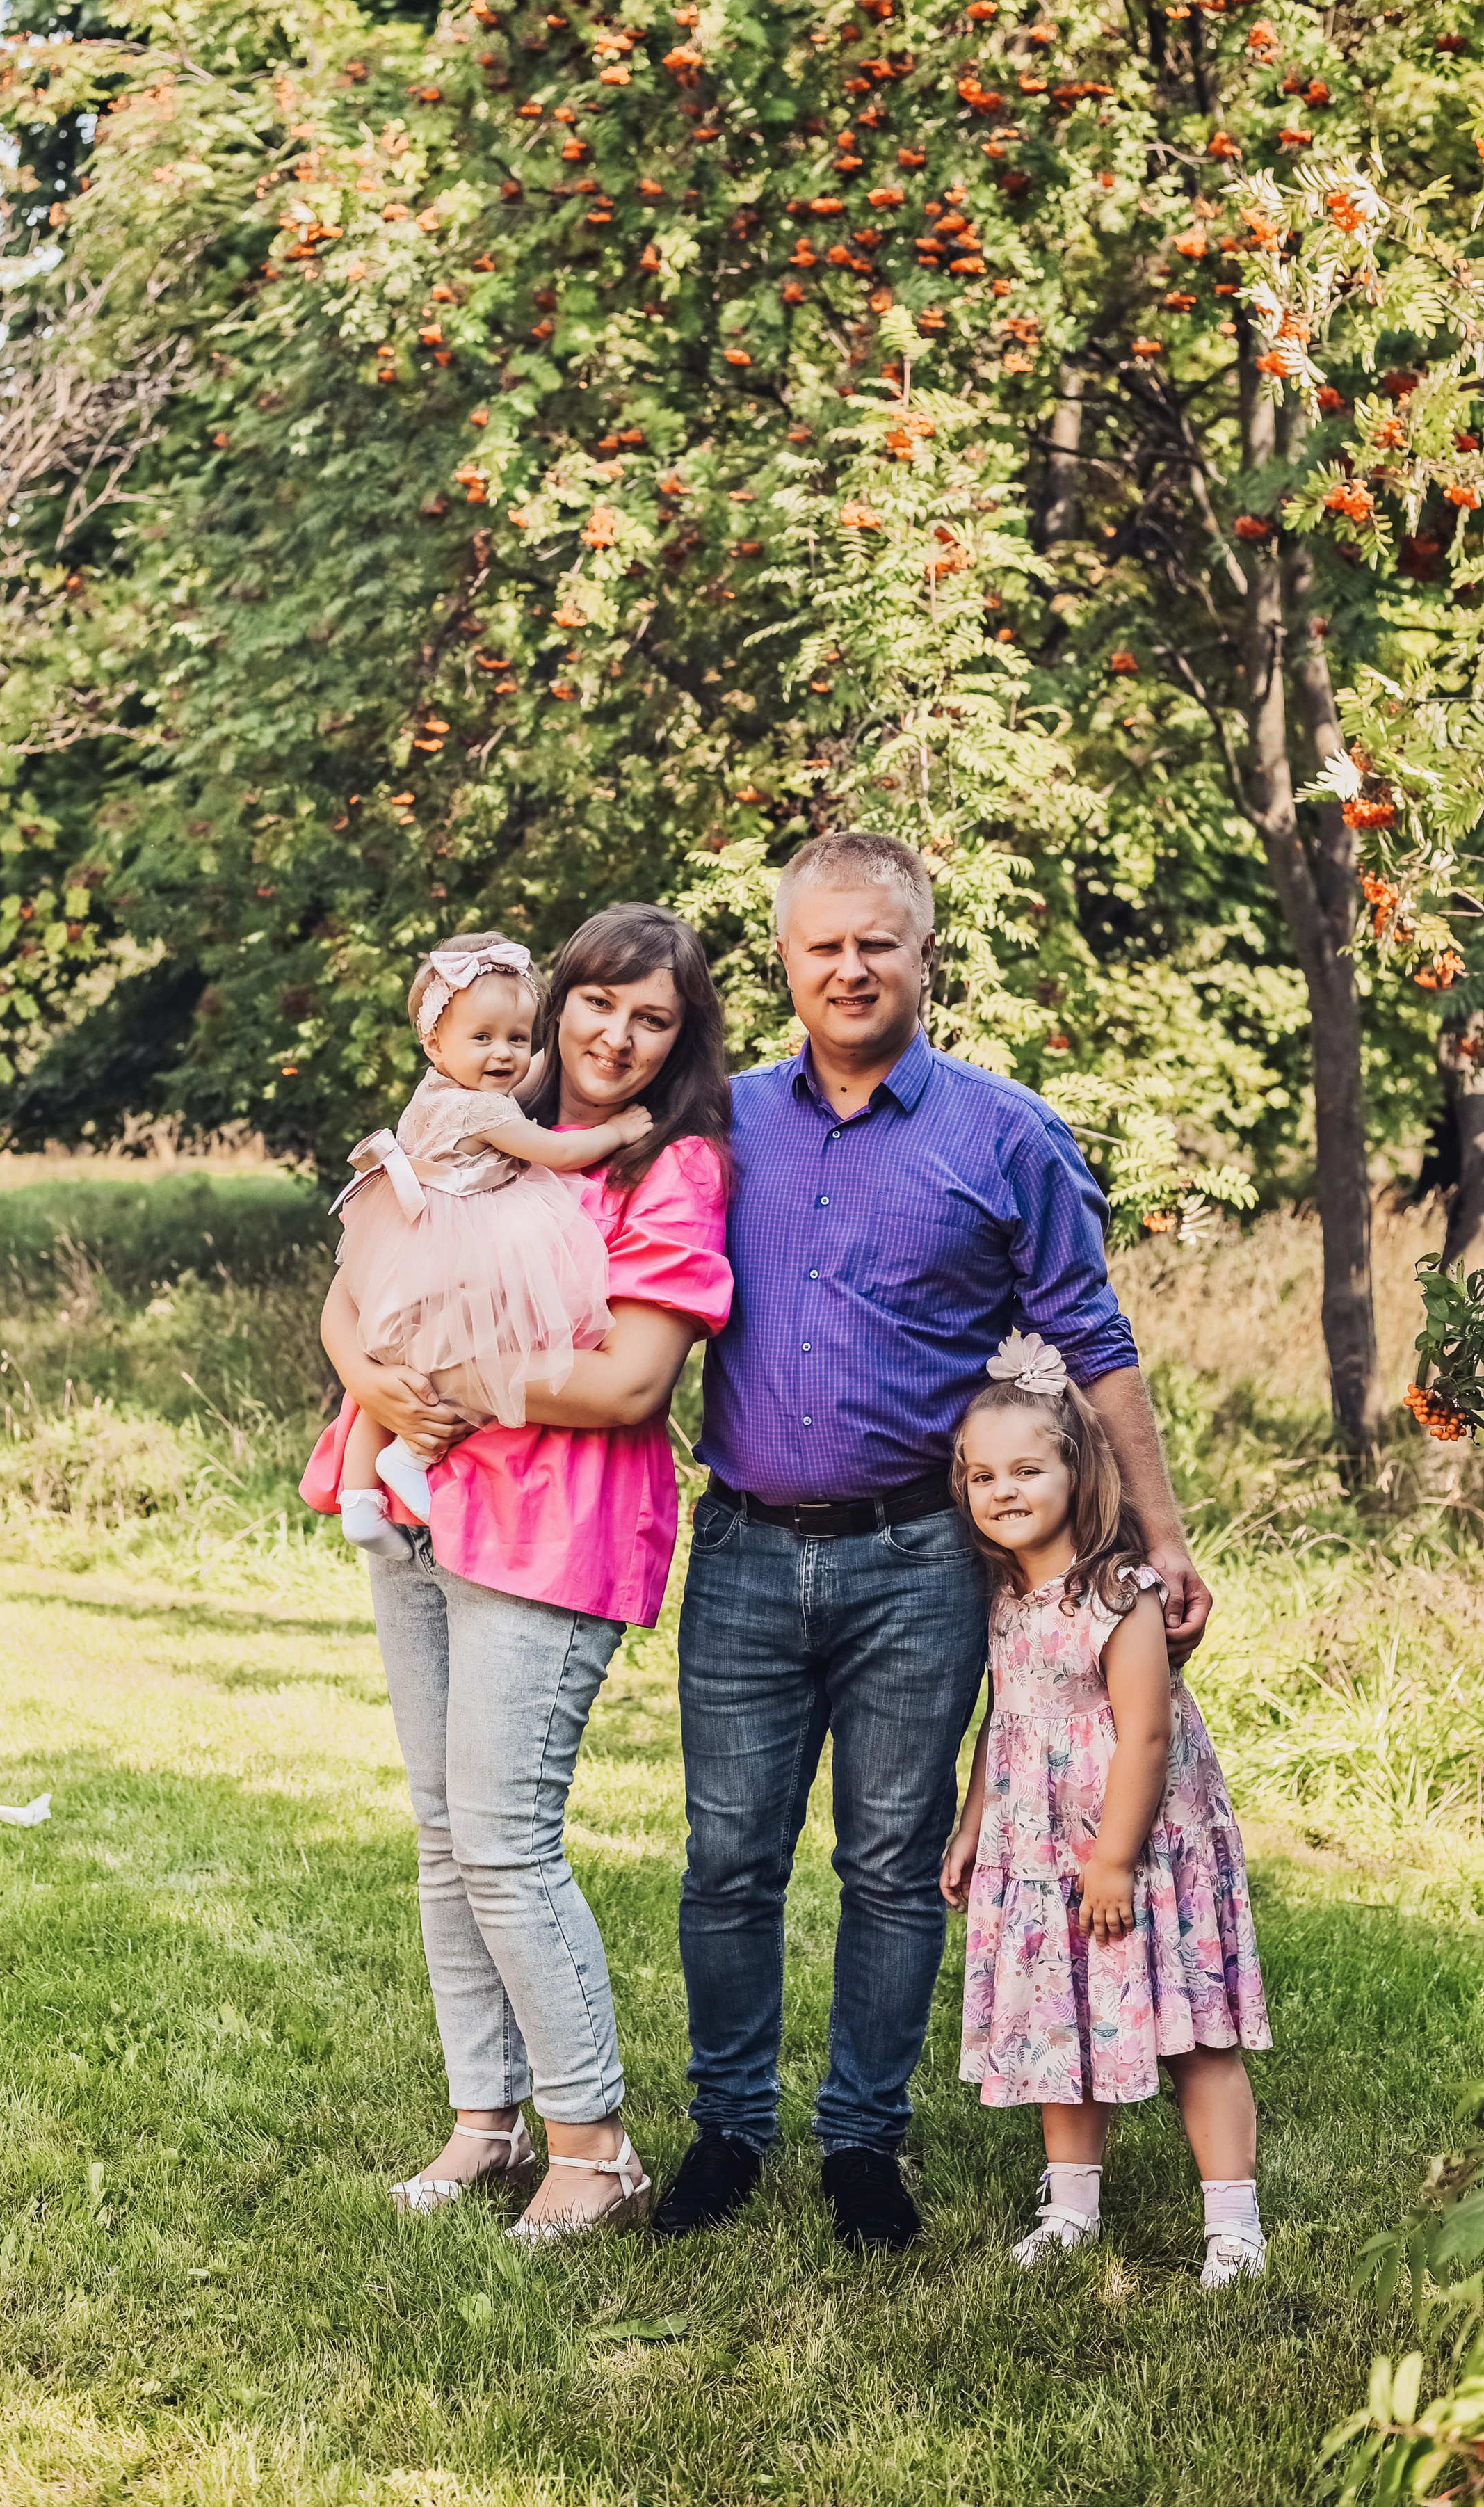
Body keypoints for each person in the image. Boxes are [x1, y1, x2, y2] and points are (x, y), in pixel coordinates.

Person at [654, 827, 1211, 2252]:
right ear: (783, 960)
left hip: (916, 1560)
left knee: (893, 1862)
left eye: (876, 943)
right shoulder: (716, 1125)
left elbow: (1093, 1340)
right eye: (821, 945)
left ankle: (862, 2140)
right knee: (728, 1858)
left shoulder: (1004, 1135)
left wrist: (1159, 1537)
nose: (849, 968)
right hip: (742, 1549)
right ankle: (727, 2130)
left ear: (923, 955)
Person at [303, 904, 733, 2239]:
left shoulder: (669, 1166)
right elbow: (355, 1281)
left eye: (652, 1016)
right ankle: (483, 2118)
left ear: (681, 1036)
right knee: (444, 1837)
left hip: (556, 1532)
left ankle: (593, 2144)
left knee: (504, 1841)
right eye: (598, 1001)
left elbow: (627, 1383)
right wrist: (375, 1375)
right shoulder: (479, 1114)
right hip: (427, 1503)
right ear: (557, 1004)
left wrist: (440, 1367)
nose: (617, 1033)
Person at [940, 1338, 1270, 2284]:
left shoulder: (1117, 1593)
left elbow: (1148, 1734)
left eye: (1026, 1469)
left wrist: (1115, 1859)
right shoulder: (1008, 1597)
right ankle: (1070, 2208)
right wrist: (972, 1823)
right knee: (1062, 2020)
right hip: (1043, 1849)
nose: (1002, 1490)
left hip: (1139, 1848)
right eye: (982, 1476)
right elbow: (1005, 1720)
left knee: (1196, 2033)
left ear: (1078, 1470)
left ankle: (1233, 2226)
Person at [327, 931, 650, 1558]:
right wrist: (616, 1130)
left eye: (518, 1039)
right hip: (461, 1248)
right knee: (478, 1353)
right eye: (483, 1038)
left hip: (408, 1243)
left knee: (394, 1365)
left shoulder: (433, 1091)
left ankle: (359, 1497)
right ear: (434, 1042)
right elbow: (556, 1152)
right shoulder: (486, 1111)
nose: (504, 1054)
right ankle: (411, 1455)